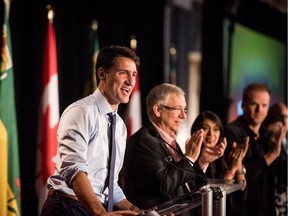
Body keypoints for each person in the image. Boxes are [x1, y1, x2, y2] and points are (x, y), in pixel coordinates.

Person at [40, 45, 142, 216]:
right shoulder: (81, 112)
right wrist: (100, 213)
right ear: (102, 74)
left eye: (133, 75)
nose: (131, 82)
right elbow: (74, 171)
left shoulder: (120, 126)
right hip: (68, 208)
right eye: (123, 73)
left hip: (93, 209)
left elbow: (111, 186)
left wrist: (139, 212)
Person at [123, 83, 226, 212]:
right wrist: (189, 158)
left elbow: (183, 184)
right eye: (177, 109)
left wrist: (202, 162)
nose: (184, 115)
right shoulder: (143, 142)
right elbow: (164, 186)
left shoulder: (168, 140)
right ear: (158, 110)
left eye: (185, 110)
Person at [224, 83, 286, 216]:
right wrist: (270, 156)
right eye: (254, 104)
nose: (260, 110)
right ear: (243, 105)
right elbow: (237, 175)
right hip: (242, 211)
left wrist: (280, 145)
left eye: (264, 105)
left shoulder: (266, 133)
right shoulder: (232, 132)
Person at [190, 111, 249, 189]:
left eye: (215, 129)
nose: (211, 134)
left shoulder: (225, 157)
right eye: (205, 128)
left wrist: (238, 165)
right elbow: (212, 197)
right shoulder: (191, 160)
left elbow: (241, 193)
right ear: (196, 130)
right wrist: (231, 171)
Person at [263, 101, 288, 216]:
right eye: (277, 116)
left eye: (285, 116)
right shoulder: (265, 138)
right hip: (273, 200)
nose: (282, 121)